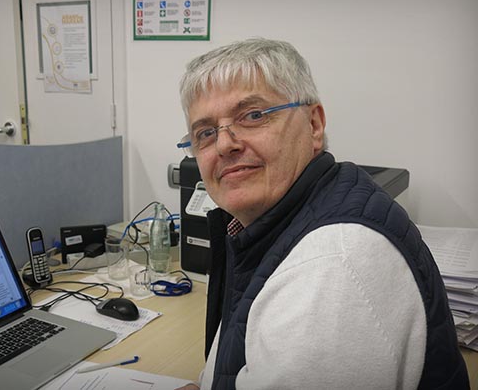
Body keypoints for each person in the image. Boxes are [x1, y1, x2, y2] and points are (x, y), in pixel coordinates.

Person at [175, 38, 468, 389]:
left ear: (314, 125)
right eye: (206, 132)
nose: (225, 144)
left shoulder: (332, 266)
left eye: (253, 115)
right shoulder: (274, 222)